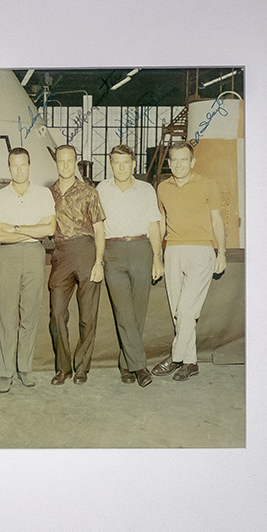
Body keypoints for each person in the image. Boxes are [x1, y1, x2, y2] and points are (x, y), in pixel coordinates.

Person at [152, 141, 226, 381]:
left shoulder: (208, 185)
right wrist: (158, 256)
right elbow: (162, 221)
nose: (178, 164)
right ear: (169, 162)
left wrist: (221, 252)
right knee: (179, 311)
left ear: (192, 162)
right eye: (174, 160)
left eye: (184, 159)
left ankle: (175, 357)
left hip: (201, 251)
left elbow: (217, 220)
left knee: (186, 309)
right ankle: (190, 362)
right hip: (173, 250)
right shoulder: (163, 188)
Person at [96, 144, 164, 387]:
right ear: (111, 164)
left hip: (141, 249)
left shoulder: (146, 190)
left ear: (134, 164)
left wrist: (157, 256)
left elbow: (154, 225)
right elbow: (98, 228)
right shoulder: (102, 189)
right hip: (113, 252)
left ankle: (125, 364)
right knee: (123, 312)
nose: (121, 167)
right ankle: (139, 367)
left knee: (137, 312)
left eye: (126, 162)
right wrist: (99, 259)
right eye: (116, 162)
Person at [0, 147, 56, 393]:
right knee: (6, 315)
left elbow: (48, 230)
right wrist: (30, 227)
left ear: (30, 165)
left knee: (29, 314)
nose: (19, 170)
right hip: (7, 255)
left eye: (23, 165)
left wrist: (14, 227)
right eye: (14, 165)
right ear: (9, 168)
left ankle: (24, 368)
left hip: (34, 254)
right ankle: (5, 372)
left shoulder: (43, 194)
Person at [47, 145, 106, 385]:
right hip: (60, 253)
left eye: (70, 161)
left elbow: (100, 229)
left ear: (76, 163)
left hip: (85, 250)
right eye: (61, 161)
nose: (65, 165)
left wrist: (99, 261)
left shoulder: (89, 192)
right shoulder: (47, 193)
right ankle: (63, 368)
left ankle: (82, 367)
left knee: (87, 316)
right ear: (56, 163)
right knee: (57, 314)